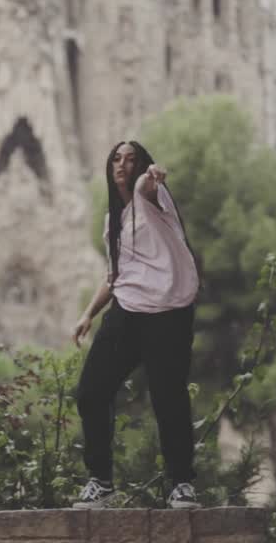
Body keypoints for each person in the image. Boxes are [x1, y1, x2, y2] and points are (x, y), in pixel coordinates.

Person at [71, 140, 202, 510]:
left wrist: (153, 176)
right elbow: (114, 275)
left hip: (168, 315)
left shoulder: (153, 200)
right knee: (91, 392)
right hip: (127, 310)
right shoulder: (113, 221)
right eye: (116, 158)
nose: (121, 165)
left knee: (168, 398)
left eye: (131, 159)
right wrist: (88, 314)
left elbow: (149, 184)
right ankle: (100, 482)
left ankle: (181, 484)